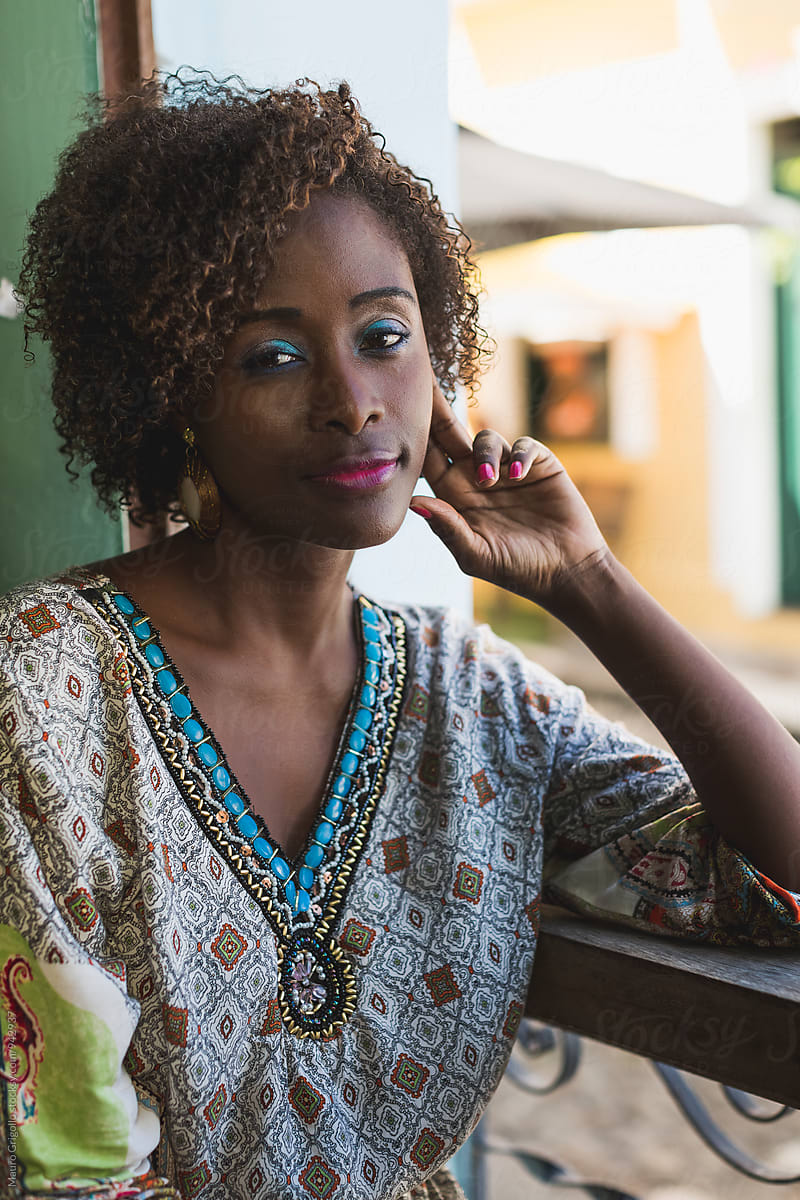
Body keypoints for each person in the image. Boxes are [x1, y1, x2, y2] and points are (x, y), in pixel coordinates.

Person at [2, 70, 799, 1200]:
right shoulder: (44, 695)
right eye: (271, 356)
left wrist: (588, 584)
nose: (352, 399)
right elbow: (70, 1169)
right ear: (170, 389)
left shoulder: (472, 700)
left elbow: (779, 877)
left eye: (385, 334)